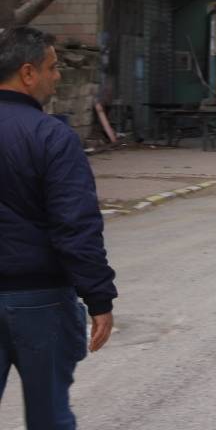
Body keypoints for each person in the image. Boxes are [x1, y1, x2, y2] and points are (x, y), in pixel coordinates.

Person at [0, 26, 117, 429]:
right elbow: (76, 227)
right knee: (49, 416)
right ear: (27, 73)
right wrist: (99, 298)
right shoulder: (52, 136)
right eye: (52, 67)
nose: (58, 76)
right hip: (41, 301)